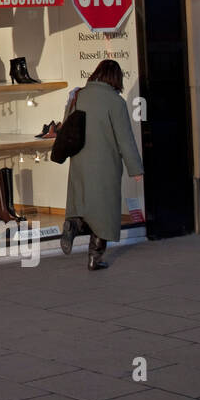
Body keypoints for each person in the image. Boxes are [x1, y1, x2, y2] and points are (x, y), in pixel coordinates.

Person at [59, 59, 144, 271]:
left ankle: (74, 223)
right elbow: (125, 139)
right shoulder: (115, 102)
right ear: (116, 78)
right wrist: (136, 169)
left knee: (82, 200)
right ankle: (94, 259)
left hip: (79, 159)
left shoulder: (79, 95)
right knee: (104, 211)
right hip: (105, 163)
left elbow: (67, 124)